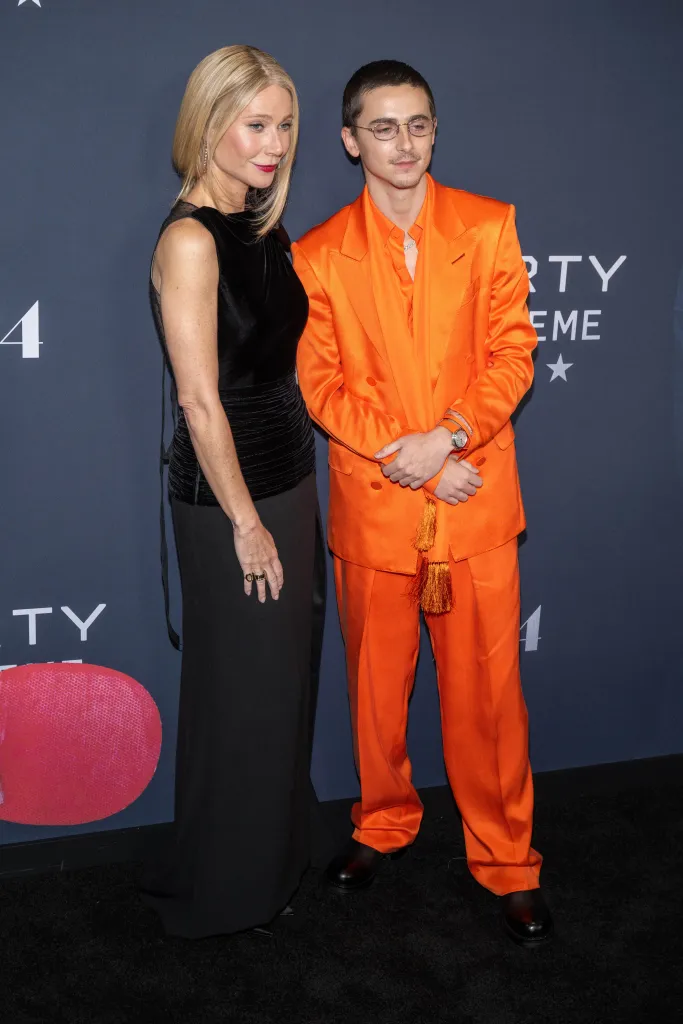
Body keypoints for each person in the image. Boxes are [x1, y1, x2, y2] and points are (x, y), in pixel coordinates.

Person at [292, 60, 552, 946]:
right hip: (376, 510)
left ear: (434, 131)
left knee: (488, 700)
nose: (402, 144)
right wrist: (414, 460)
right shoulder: (318, 253)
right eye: (383, 127)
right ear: (349, 139)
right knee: (374, 694)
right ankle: (381, 825)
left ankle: (508, 860)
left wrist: (445, 437)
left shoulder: (487, 227)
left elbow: (511, 354)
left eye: (418, 125)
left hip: (475, 505)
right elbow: (320, 385)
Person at [141, 45, 325, 939]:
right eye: (257, 125)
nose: (276, 144)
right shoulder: (188, 238)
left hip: (289, 478)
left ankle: (270, 858)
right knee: (247, 694)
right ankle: (231, 891)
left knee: (279, 689)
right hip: (230, 506)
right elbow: (199, 400)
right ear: (208, 125)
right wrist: (249, 526)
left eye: (285, 125)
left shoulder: (259, 225)